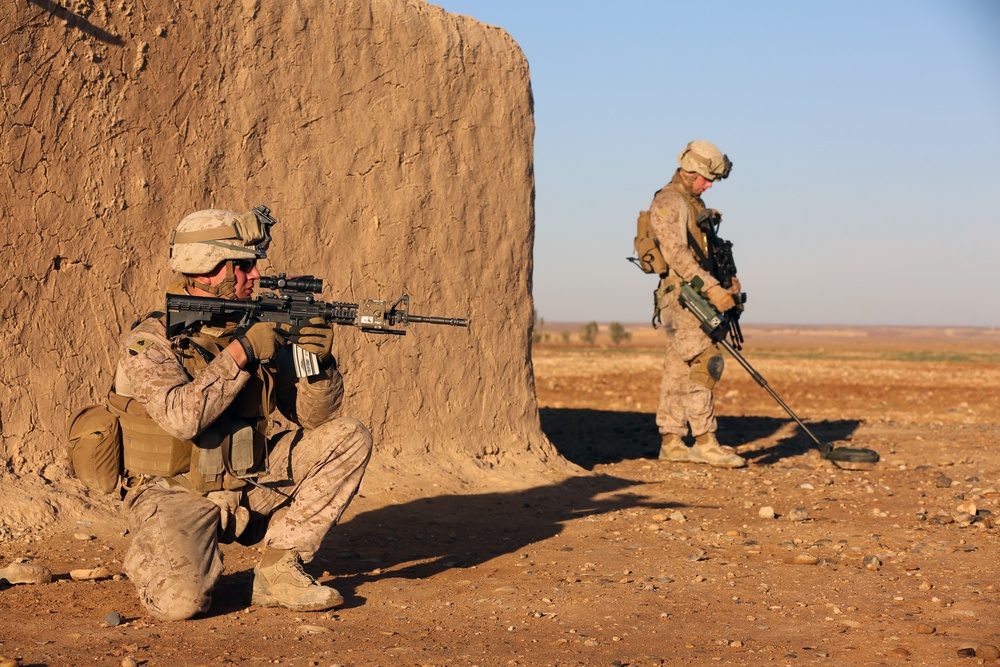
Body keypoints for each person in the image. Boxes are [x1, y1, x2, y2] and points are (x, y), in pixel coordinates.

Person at [111, 207, 373, 621]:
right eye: (244, 267)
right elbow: (182, 418)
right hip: (174, 492)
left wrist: (317, 363)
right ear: (208, 268)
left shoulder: (257, 326)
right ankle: (158, 556)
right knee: (180, 605)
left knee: (348, 435)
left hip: (250, 478)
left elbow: (313, 419)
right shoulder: (149, 341)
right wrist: (243, 352)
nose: (255, 277)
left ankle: (278, 570)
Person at [648, 141, 746, 468]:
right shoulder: (668, 201)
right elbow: (676, 254)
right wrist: (712, 288)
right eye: (705, 177)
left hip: (694, 296)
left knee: (679, 367)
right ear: (688, 171)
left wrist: (727, 284)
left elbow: (706, 256)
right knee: (708, 360)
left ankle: (672, 441)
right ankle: (705, 441)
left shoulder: (693, 203)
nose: (709, 185)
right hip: (681, 299)